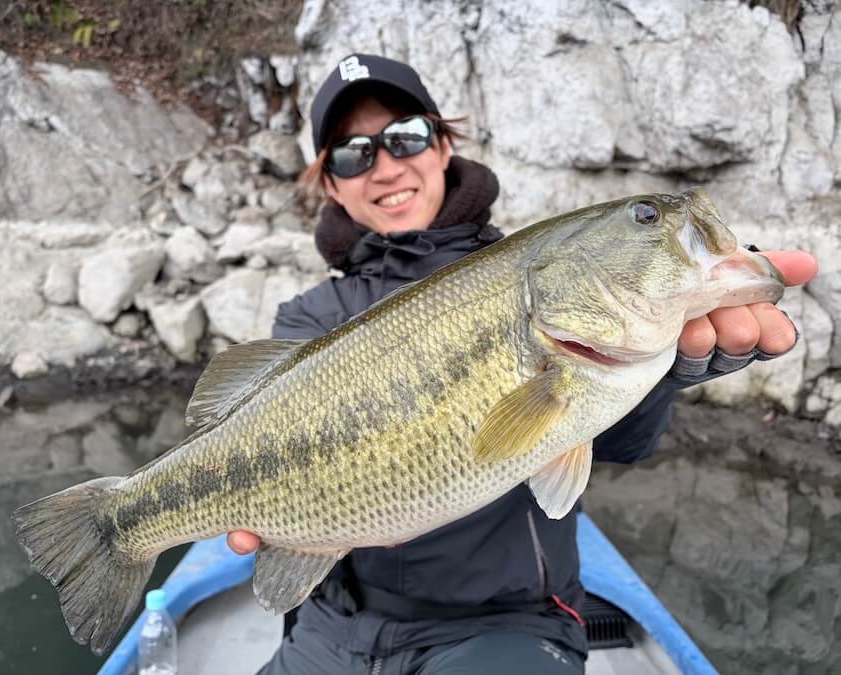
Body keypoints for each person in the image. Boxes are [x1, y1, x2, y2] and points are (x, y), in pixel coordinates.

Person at [227, 54, 818, 675]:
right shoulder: (309, 318)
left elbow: (620, 443)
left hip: (505, 625)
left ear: (443, 143)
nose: (387, 167)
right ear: (331, 184)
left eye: (406, 137)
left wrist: (668, 369)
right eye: (354, 154)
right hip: (335, 624)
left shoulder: (531, 271)